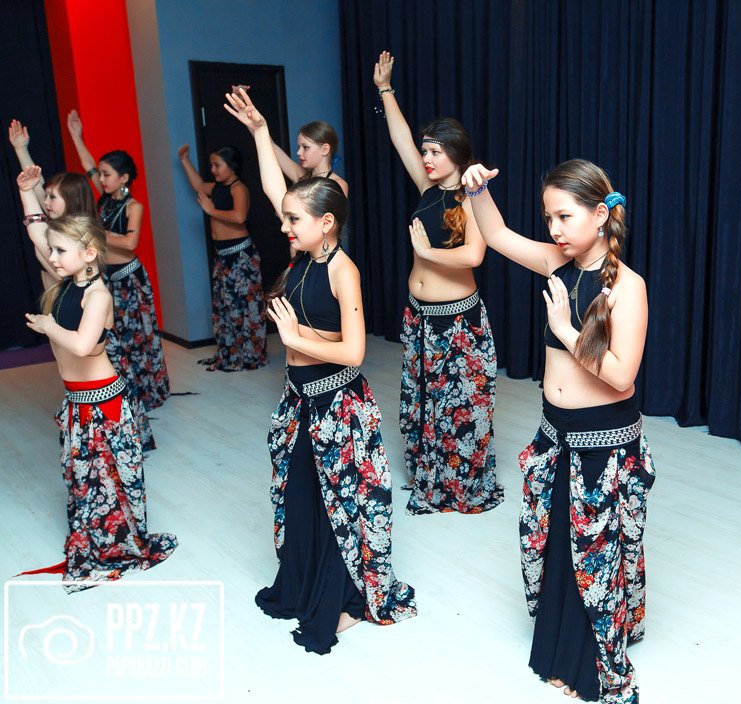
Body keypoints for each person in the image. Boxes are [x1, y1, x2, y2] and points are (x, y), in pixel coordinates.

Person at [225, 86, 416, 654]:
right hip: (301, 400)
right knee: (304, 498)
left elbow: (355, 353)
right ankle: (308, 584)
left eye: (294, 220)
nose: (284, 225)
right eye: (286, 218)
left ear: (326, 223)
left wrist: (294, 338)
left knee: (340, 505)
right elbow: (274, 189)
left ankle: (348, 601)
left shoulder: (341, 270)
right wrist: (261, 133)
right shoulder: (303, 260)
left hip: (337, 406)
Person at [462, 159, 654, 702]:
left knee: (594, 555)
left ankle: (590, 657)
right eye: (548, 218)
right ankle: (559, 643)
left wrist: (567, 331)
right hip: (555, 433)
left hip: (604, 442)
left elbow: (621, 375)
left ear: (600, 215)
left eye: (564, 217)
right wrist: (474, 190)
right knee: (554, 547)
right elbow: (496, 234)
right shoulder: (556, 263)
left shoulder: (627, 287)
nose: (554, 229)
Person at [373, 50, 504, 515]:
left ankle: (458, 486)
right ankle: (427, 476)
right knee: (424, 401)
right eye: (426, 151)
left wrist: (427, 253)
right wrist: (385, 89)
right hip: (420, 317)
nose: (427, 158)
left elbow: (474, 255)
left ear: (457, 155)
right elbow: (400, 138)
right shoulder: (428, 190)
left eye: (435, 152)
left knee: (458, 405)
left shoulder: (471, 196)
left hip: (458, 323)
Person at [20, 209, 176, 591]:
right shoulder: (65, 285)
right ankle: (97, 539)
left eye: (60, 250)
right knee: (85, 479)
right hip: (78, 400)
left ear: (89, 253)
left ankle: (117, 544)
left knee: (111, 480)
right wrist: (28, 192)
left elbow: (82, 344)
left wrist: (48, 325)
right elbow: (39, 237)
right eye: (52, 251)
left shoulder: (98, 295)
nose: (53, 257)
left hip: (103, 402)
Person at [15, 163, 157, 451]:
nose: (46, 201)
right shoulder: (64, 252)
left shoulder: (80, 262)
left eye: (53, 197)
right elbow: (36, 229)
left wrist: (48, 326)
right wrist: (26, 190)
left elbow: (37, 232)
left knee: (112, 419)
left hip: (94, 362)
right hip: (78, 380)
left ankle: (127, 444)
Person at [67, 110, 170, 412]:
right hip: (108, 278)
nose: (100, 179)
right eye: (100, 174)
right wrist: (76, 136)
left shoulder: (133, 206)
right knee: (116, 337)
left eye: (107, 174)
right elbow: (88, 165)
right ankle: (123, 392)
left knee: (137, 337)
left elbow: (130, 243)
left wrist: (96, 231)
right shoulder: (104, 198)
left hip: (129, 279)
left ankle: (147, 393)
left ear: (123, 178)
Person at [177, 143, 268, 371]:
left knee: (245, 308)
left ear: (231, 166)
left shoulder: (239, 188)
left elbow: (239, 216)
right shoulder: (217, 188)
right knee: (226, 307)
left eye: (217, 165)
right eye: (212, 165)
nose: (213, 170)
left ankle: (249, 356)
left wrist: (211, 211)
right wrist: (184, 160)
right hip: (223, 257)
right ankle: (230, 354)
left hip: (241, 256)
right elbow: (199, 186)